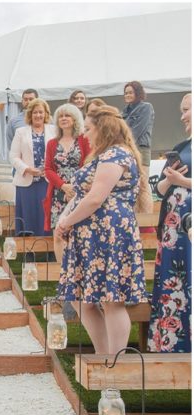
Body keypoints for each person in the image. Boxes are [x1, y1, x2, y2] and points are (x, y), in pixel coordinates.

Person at [57, 106, 148, 355]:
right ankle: (103, 355)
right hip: (90, 236)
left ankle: (114, 364)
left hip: (109, 234)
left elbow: (96, 198)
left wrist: (67, 222)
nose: (84, 134)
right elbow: (83, 195)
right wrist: (67, 218)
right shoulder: (103, 155)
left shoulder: (117, 155)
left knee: (112, 301)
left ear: (103, 128)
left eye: (88, 129)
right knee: (82, 300)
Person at [149, 93, 192, 353]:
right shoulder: (182, 146)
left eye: (187, 110)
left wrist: (183, 181)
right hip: (173, 227)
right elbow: (162, 189)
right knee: (174, 278)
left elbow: (181, 182)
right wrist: (170, 178)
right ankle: (172, 344)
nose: (183, 115)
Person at [44, 103, 91, 261]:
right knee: (58, 234)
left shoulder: (84, 140)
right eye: (61, 116)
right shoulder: (52, 143)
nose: (63, 119)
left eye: (67, 115)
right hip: (58, 194)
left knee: (78, 233)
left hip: (81, 192)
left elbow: (89, 164)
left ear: (75, 119)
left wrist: (76, 188)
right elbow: (48, 169)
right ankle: (61, 276)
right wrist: (63, 186)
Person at [10, 98, 57, 236]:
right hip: (26, 183)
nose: (38, 115)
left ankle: (49, 251)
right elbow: (13, 156)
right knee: (28, 215)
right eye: (35, 112)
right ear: (30, 114)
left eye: (41, 112)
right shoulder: (20, 132)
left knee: (47, 214)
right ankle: (28, 251)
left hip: (47, 182)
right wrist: (28, 169)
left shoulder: (54, 131)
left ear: (46, 114)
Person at [123, 81, 156, 214]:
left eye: (130, 92)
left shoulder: (146, 107)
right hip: (127, 149)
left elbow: (137, 131)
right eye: (126, 93)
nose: (128, 95)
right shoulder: (124, 111)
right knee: (131, 185)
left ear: (138, 93)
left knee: (143, 186)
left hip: (140, 149)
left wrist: (123, 145)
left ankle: (147, 221)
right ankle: (136, 217)